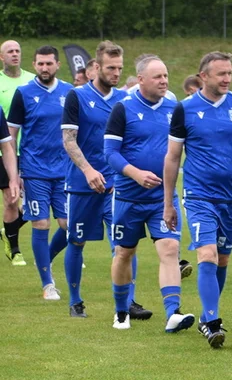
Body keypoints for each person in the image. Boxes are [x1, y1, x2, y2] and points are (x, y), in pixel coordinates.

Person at [163, 52, 232, 349]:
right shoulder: (184, 110)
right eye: (221, 74)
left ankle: (206, 315)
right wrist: (168, 202)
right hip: (199, 196)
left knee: (222, 258)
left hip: (231, 197)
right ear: (203, 76)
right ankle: (212, 322)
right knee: (207, 255)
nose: (227, 79)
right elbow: (173, 158)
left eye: (230, 73)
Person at [103, 55, 195, 333]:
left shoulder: (175, 108)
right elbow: (110, 153)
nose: (164, 81)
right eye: (157, 77)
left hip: (163, 199)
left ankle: (173, 314)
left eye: (166, 75)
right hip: (128, 198)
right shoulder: (123, 108)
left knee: (169, 249)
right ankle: (121, 311)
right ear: (140, 79)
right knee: (124, 253)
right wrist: (136, 173)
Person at [61, 41, 145, 319]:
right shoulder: (78, 96)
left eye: (120, 68)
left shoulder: (124, 99)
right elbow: (69, 140)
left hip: (116, 185)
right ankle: (75, 301)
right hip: (82, 184)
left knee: (124, 244)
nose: (116, 73)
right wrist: (87, 170)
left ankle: (128, 302)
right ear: (96, 67)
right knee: (76, 241)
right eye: (111, 67)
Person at [7, 46, 73, 300]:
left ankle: (45, 258)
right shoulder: (23, 93)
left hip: (65, 170)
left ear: (57, 64)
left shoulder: (69, 92)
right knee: (41, 222)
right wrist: (16, 170)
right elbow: (11, 134)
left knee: (70, 226)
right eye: (40, 64)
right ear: (34, 64)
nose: (44, 68)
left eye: (49, 64)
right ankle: (48, 285)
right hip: (34, 170)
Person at [0, 39, 33, 266]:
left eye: (17, 50)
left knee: (33, 204)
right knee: (11, 200)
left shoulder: (31, 81)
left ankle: (6, 230)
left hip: (29, 151)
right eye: (9, 51)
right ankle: (15, 249)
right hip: (5, 150)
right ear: (2, 57)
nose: (14, 54)